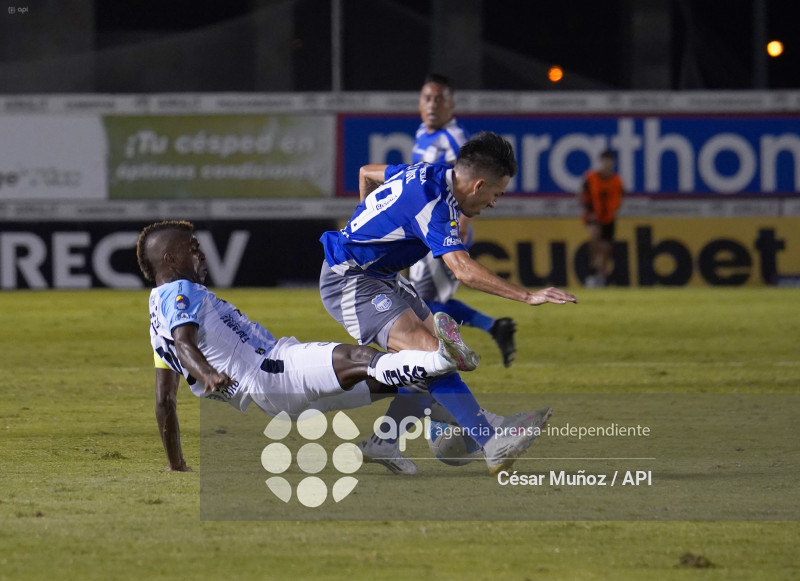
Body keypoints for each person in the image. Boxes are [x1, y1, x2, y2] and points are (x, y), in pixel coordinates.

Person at [319, 132, 577, 475]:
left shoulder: (433, 173)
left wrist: (366, 216)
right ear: (478, 184)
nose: (494, 203)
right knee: (434, 356)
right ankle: (491, 441)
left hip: (384, 276)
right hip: (350, 281)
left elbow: (367, 172)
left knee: (438, 358)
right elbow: (462, 270)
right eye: (496, 194)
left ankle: (385, 441)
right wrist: (528, 295)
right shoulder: (434, 204)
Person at [137, 220, 480, 472]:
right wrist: (208, 373)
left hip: (275, 398)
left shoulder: (158, 321)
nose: (200, 251)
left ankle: (395, 442)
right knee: (362, 356)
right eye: (191, 247)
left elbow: (163, 400)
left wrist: (176, 464)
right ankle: (441, 359)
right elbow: (185, 345)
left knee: (405, 380)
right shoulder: (177, 292)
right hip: (275, 370)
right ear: (169, 259)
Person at [409, 73, 517, 367]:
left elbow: (469, 184)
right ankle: (494, 327)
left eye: (439, 100)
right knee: (427, 301)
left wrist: (457, 231)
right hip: (426, 228)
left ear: (451, 105)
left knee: (423, 302)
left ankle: (446, 357)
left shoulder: (454, 139)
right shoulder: (422, 132)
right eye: (427, 98)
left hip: (443, 228)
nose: (431, 105)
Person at [579, 150, 625, 287]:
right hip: (593, 215)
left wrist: (613, 211)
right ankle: (594, 271)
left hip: (609, 218)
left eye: (609, 162)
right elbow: (583, 195)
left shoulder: (617, 181)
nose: (606, 165)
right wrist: (589, 212)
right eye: (604, 162)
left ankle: (599, 273)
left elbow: (619, 198)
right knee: (595, 236)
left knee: (605, 248)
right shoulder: (591, 178)